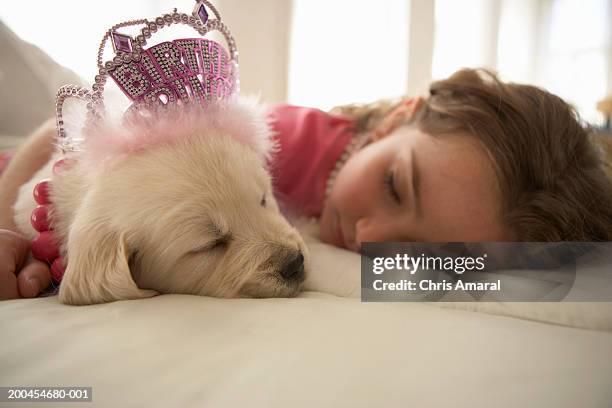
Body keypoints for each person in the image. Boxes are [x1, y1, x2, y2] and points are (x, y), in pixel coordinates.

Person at [1, 68, 612, 299]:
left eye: (417, 252)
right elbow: (72, 127)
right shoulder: (269, 138)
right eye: (397, 186)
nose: (371, 237)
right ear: (397, 118)